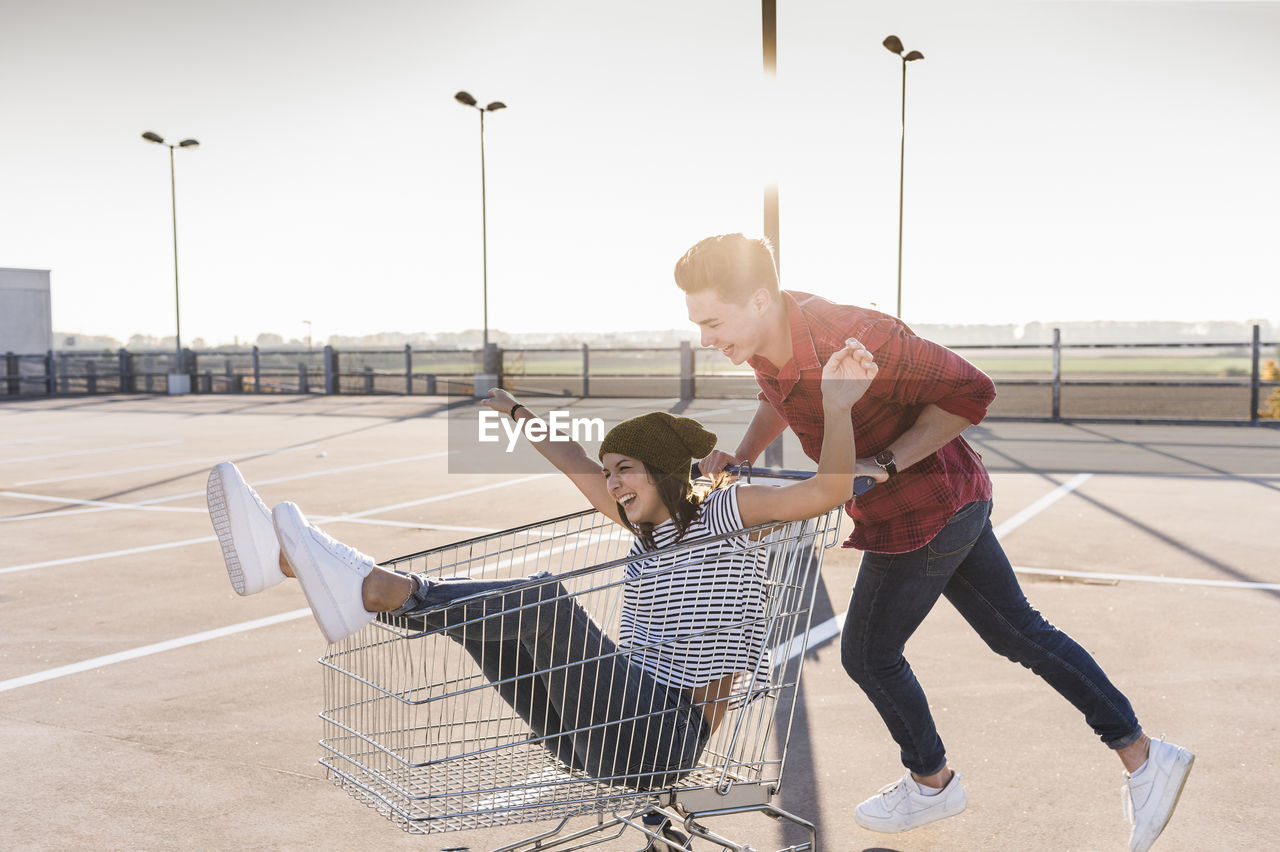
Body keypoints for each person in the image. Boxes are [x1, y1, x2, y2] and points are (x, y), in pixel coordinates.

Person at [674, 233, 1193, 852]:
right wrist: (741, 456)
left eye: (711, 321)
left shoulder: (854, 339)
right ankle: (1143, 756)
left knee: (869, 654)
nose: (706, 339)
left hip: (927, 510)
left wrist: (886, 462)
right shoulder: (765, 341)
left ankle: (932, 780)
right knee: (1018, 631)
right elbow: (778, 398)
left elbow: (973, 391)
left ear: (759, 300)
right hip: (938, 504)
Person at [205, 340, 876, 807]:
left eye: (626, 470)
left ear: (668, 472)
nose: (611, 483)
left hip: (663, 737)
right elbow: (573, 458)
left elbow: (825, 491)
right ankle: (302, 567)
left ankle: (367, 586)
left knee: (540, 602)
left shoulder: (726, 510)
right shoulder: (643, 526)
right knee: (497, 627)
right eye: (611, 473)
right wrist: (517, 412)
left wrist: (840, 408)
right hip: (590, 733)